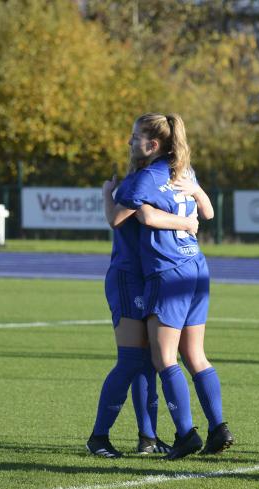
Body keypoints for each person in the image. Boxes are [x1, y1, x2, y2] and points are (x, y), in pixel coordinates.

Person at [114, 112, 234, 460]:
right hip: (197, 269)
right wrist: (193, 198)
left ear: (152, 144)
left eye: (135, 137)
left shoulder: (146, 177)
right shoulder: (184, 170)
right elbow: (208, 214)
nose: (129, 142)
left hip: (168, 273)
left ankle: (186, 434)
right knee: (194, 354)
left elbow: (118, 218)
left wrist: (112, 194)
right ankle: (218, 428)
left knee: (162, 356)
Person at [86, 168, 200, 458]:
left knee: (148, 362)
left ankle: (148, 437)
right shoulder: (142, 181)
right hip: (128, 278)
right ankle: (98, 437)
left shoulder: (158, 179)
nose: (132, 142)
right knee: (130, 360)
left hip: (148, 277)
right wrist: (187, 223)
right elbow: (126, 218)